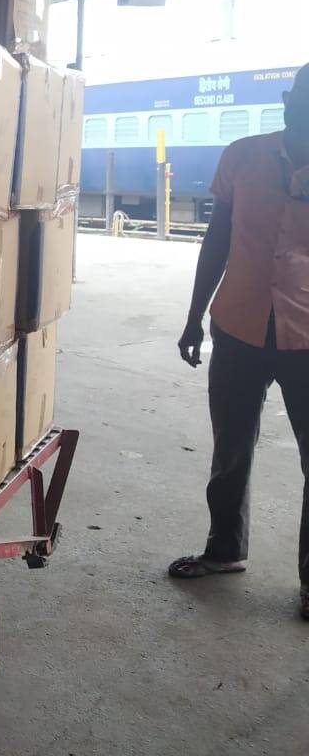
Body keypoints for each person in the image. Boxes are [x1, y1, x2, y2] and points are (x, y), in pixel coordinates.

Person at [172, 63, 309, 621]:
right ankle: (225, 549)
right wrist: (194, 316)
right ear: (287, 102)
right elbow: (217, 237)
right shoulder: (243, 156)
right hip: (238, 327)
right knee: (231, 447)